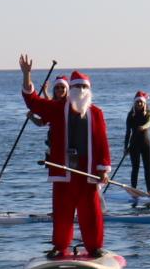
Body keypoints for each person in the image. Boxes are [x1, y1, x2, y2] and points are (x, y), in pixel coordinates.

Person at [20, 58, 111, 258]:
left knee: (91, 213)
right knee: (62, 212)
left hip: (87, 174)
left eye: (84, 87)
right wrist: (27, 75)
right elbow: (33, 101)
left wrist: (103, 169)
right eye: (77, 87)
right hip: (64, 171)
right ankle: (60, 246)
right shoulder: (58, 108)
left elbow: (102, 142)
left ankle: (94, 247)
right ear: (71, 89)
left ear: (89, 90)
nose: (80, 91)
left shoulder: (96, 113)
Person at [122, 91, 150, 203]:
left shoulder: (148, 114)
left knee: (147, 167)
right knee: (135, 168)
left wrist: (143, 127)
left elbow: (149, 123)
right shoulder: (130, 116)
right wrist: (125, 147)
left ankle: (149, 190)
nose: (139, 104)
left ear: (144, 103)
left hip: (146, 145)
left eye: (141, 102)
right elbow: (127, 133)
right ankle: (134, 191)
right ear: (134, 103)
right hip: (134, 145)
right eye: (137, 102)